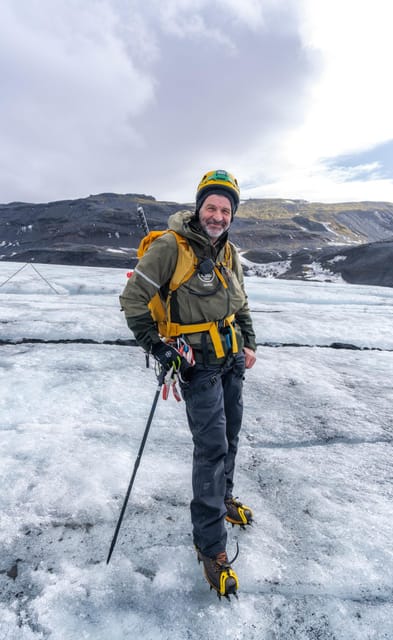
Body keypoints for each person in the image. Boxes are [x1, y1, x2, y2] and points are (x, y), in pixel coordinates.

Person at [119, 169, 257, 597]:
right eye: (211, 207)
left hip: (231, 357)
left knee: (230, 435)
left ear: (232, 215)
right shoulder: (169, 247)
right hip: (196, 364)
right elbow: (132, 300)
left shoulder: (229, 252)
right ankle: (210, 546)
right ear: (199, 208)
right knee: (212, 447)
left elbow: (241, 303)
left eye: (225, 209)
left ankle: (225, 499)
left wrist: (249, 342)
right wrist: (157, 347)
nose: (217, 215)